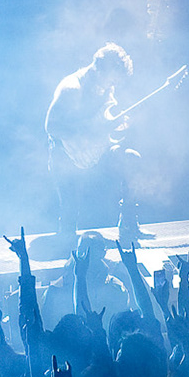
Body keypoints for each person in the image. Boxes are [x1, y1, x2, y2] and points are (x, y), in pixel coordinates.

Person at [46, 42, 147, 238]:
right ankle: (67, 244)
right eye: (110, 81)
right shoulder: (72, 88)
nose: (112, 86)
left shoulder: (104, 88)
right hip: (67, 157)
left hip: (97, 152)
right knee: (69, 217)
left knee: (131, 159)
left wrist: (118, 125)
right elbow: (51, 126)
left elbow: (104, 122)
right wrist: (89, 131)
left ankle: (128, 223)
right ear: (98, 69)